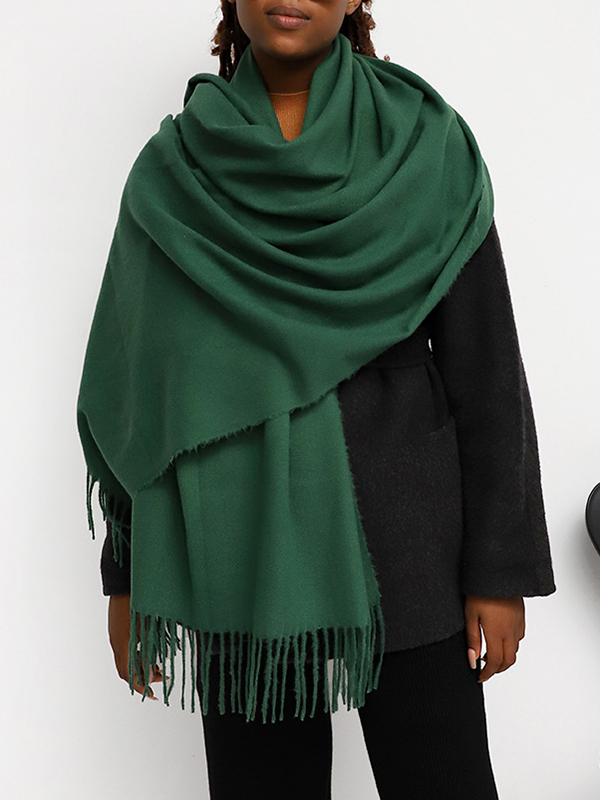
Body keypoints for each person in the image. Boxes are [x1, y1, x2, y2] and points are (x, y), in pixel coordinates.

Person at [78, 2, 556, 798]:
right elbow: (141, 397)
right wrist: (127, 577)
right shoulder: (175, 172)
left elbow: (485, 367)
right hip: (238, 541)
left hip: (409, 539)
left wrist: (499, 571)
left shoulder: (424, 147)